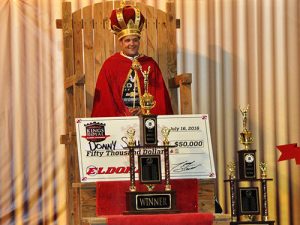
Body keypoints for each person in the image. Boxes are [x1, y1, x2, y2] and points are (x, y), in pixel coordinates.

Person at [91, 4, 173, 117]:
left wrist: (145, 109)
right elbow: (105, 99)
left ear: (139, 41)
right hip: (119, 119)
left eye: (135, 40)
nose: (132, 44)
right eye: (127, 40)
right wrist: (123, 113)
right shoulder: (110, 65)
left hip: (147, 118)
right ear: (121, 42)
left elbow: (160, 96)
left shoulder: (149, 64)